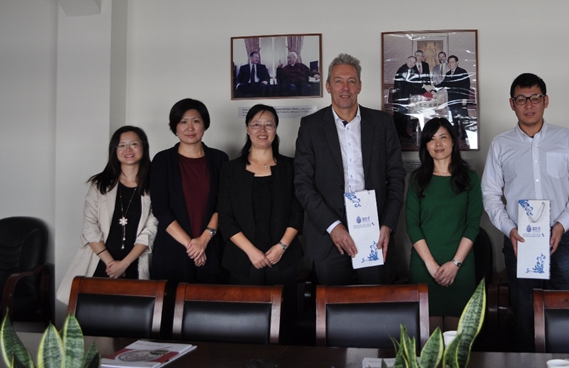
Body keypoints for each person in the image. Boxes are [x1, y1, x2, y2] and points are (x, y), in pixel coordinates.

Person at [481, 73, 569, 351]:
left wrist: (562, 225)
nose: (529, 104)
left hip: (560, 239)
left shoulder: (565, 139)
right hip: (519, 241)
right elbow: (490, 194)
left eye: (535, 98)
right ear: (512, 104)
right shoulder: (500, 144)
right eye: (521, 99)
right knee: (524, 317)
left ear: (546, 101)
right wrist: (510, 229)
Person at [294, 53, 406, 286]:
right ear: (328, 86)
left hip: (375, 232)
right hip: (328, 236)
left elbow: (396, 177)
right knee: (332, 305)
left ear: (360, 86)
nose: (345, 88)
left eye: (351, 81)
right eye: (338, 81)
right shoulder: (311, 127)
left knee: (375, 303)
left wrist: (387, 224)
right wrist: (333, 226)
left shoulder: (383, 124)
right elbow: (302, 184)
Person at [218, 104, 303, 338]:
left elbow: (298, 212)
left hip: (284, 258)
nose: (262, 130)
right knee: (245, 326)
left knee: (286, 325)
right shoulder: (230, 169)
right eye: (256, 124)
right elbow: (225, 217)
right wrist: (252, 252)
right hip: (242, 260)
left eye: (268, 125)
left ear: (276, 129)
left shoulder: (291, 167)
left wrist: (281, 247)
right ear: (247, 129)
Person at [56, 126, 158, 304]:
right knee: (91, 314)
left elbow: (151, 229)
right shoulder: (100, 184)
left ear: (144, 147)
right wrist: (111, 264)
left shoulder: (154, 186)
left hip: (134, 263)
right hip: (99, 262)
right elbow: (89, 226)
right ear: (114, 151)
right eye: (121, 145)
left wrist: (124, 264)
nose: (128, 150)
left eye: (134, 144)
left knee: (133, 314)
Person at [405, 118, 482, 330]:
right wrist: (431, 265)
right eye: (431, 139)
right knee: (430, 340)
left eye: (443, 137)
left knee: (457, 342)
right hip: (424, 267)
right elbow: (412, 225)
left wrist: (455, 264)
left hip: (461, 268)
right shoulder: (417, 179)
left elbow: (473, 224)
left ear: (453, 141)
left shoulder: (470, 178)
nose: (438, 144)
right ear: (425, 146)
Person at [150, 98, 229, 283]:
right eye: (183, 122)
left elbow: (224, 204)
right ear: (175, 127)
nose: (190, 128)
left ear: (205, 124)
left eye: (196, 121)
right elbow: (160, 208)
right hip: (172, 249)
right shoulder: (162, 160)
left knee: (210, 298)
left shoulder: (220, 159)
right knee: (170, 299)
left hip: (211, 247)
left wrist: (204, 240)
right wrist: (191, 245)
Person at [436, 55, 472, 136]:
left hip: (461, 99)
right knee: (454, 118)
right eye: (449, 62)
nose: (450, 64)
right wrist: (433, 88)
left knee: (463, 118)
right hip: (452, 99)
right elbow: (443, 84)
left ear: (457, 62)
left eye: (452, 62)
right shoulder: (448, 74)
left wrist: (465, 98)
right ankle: (456, 134)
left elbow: (466, 86)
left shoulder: (462, 72)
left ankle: (466, 135)